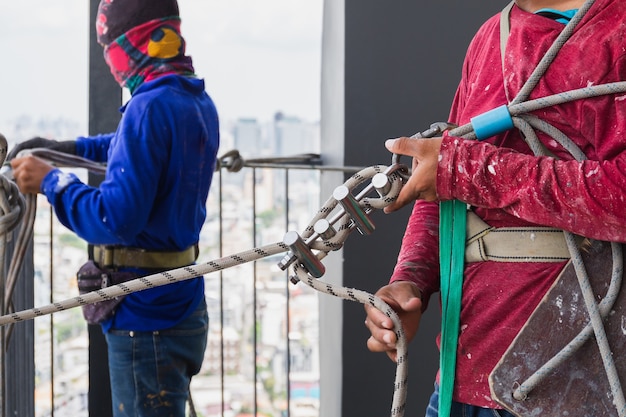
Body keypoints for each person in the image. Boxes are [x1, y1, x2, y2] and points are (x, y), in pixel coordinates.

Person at [364, 0, 626, 416]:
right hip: (460, 379)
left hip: (575, 388)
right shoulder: (491, 36)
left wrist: (466, 169)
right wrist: (410, 283)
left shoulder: (616, 29)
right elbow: (443, 182)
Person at [10, 0, 220, 416]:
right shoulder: (192, 99)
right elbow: (127, 145)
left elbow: (113, 218)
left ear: (129, 45)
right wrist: (64, 150)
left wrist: (51, 181)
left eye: (109, 50)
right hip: (178, 303)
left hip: (145, 318)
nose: (111, 65)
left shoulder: (149, 105)